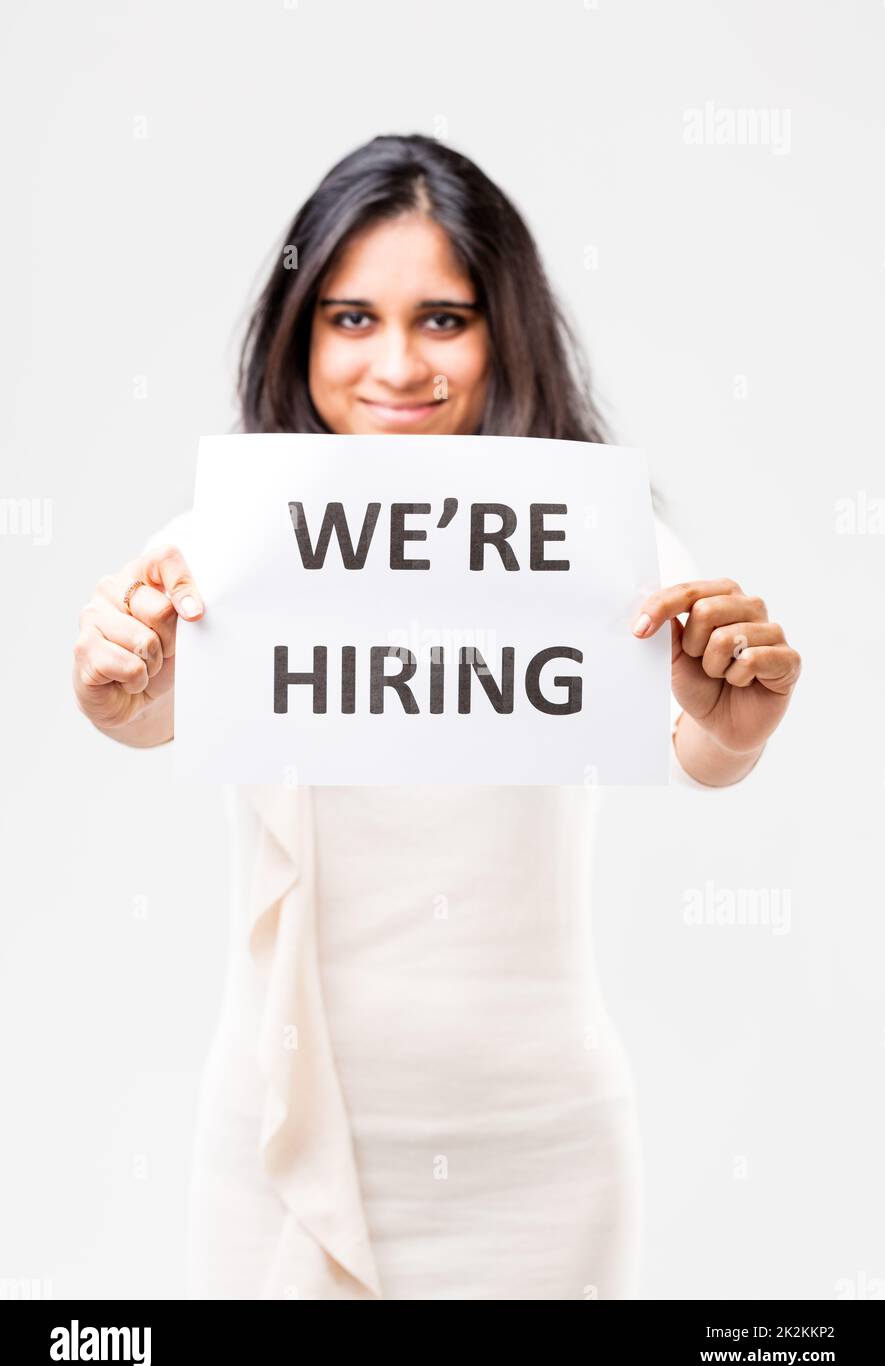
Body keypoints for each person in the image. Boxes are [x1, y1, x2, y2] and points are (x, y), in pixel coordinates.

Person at [71, 134, 802, 1300]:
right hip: (272, 1152)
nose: (398, 363)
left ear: (503, 326)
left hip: (540, 1167)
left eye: (445, 318)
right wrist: (119, 687)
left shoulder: (597, 540)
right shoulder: (223, 544)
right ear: (298, 330)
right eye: (351, 318)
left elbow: (695, 742)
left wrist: (740, 726)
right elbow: (153, 709)